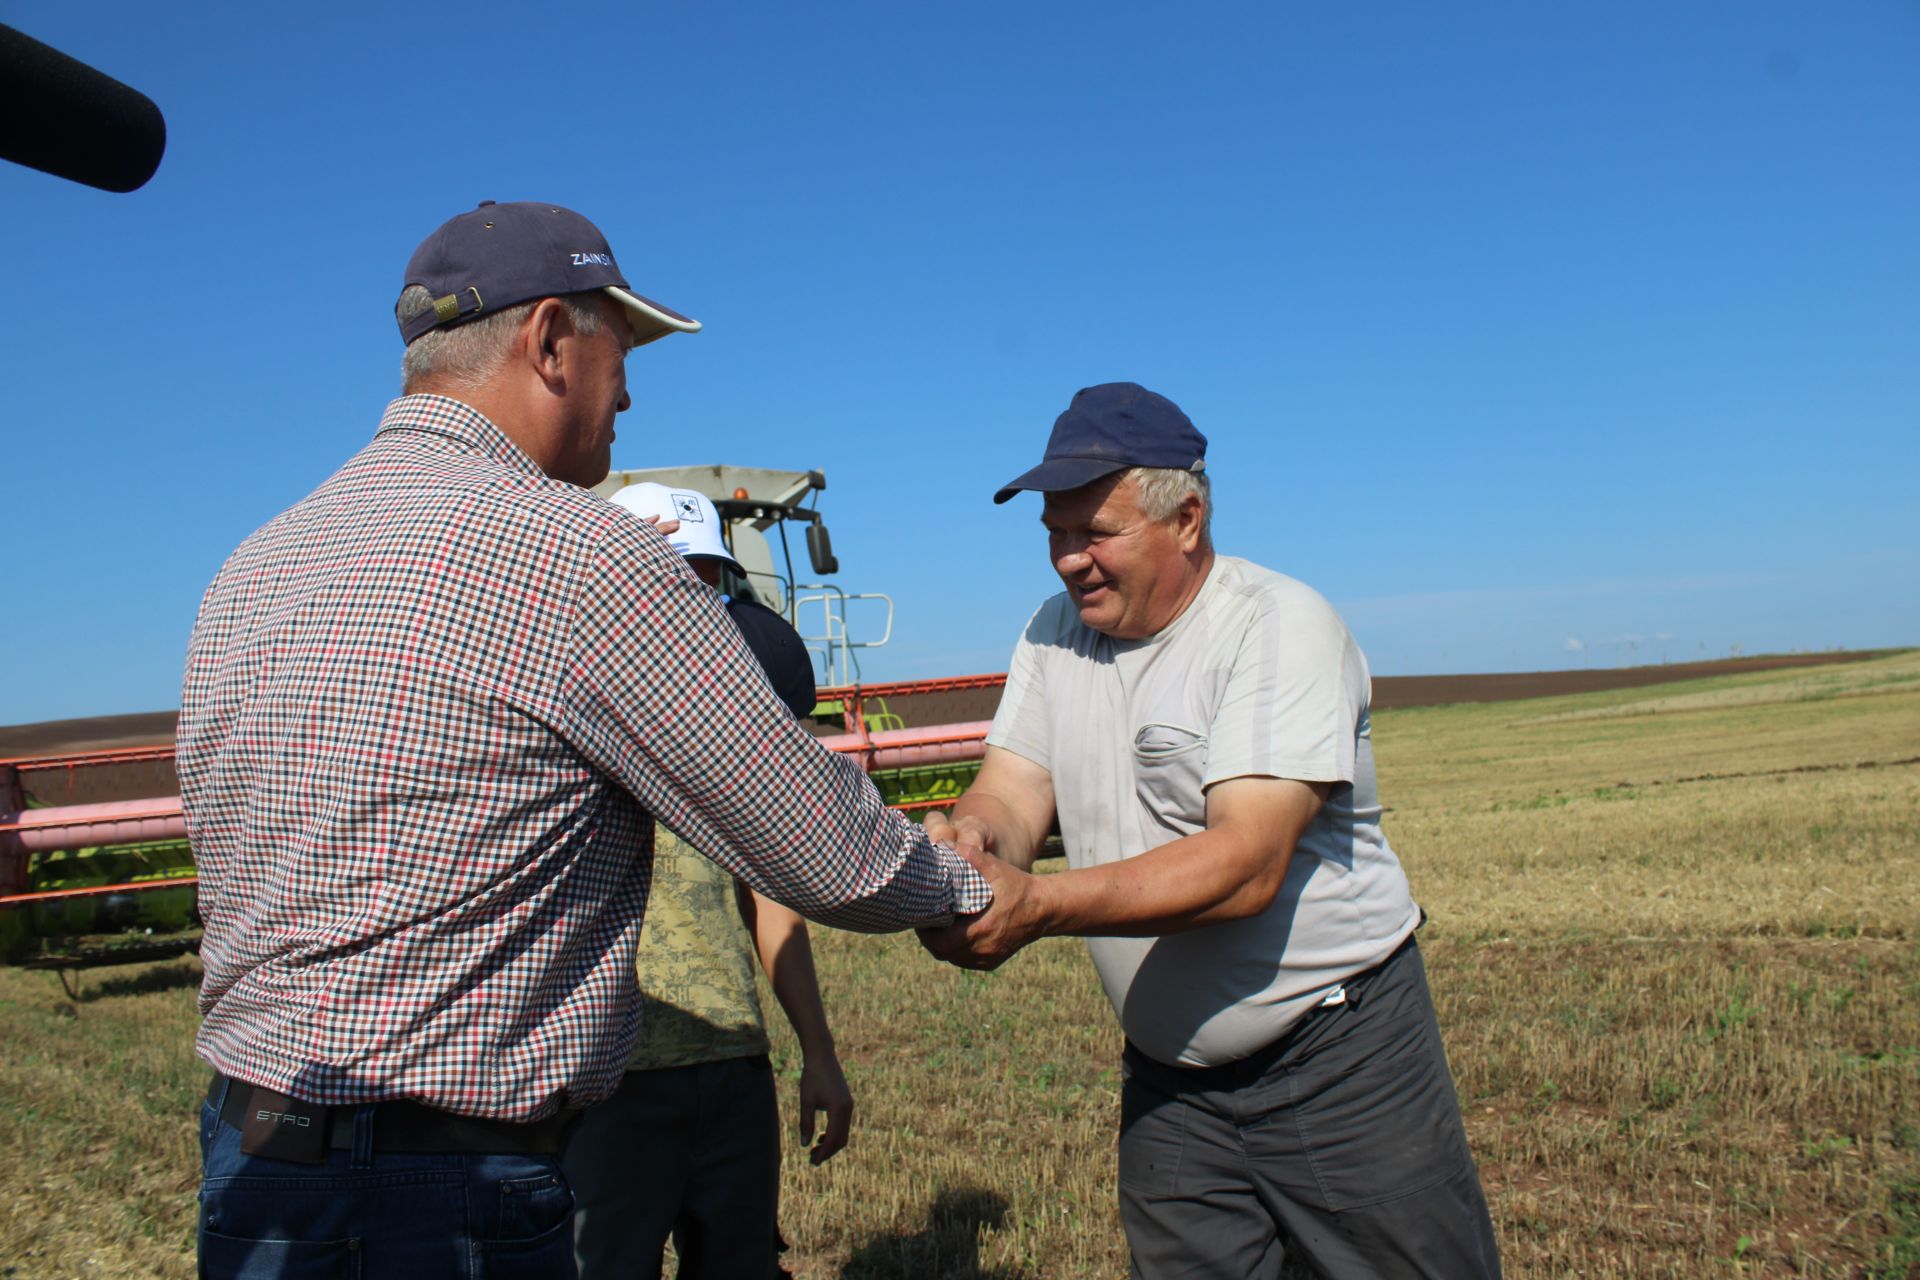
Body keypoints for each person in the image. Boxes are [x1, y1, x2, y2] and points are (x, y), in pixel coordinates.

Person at [177, 201, 988, 1280]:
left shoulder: (251, 566)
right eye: (622, 349)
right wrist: (975, 889)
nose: (631, 391)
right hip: (444, 1192)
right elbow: (827, 851)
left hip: (252, 1164)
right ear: (553, 339)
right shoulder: (581, 555)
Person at [918, 383, 1501, 1279]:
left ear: (1186, 518)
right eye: (1055, 534)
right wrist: (974, 847)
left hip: (1337, 1059)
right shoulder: (1052, 634)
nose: (1069, 561)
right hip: (1171, 1081)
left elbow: (1245, 864)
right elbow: (1014, 791)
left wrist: (1039, 904)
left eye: (1095, 532)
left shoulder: (1276, 626)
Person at [565, 482, 850, 1279]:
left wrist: (817, 1053)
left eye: (703, 576)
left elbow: (773, 901)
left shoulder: (737, 737)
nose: (689, 596)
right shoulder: (563, 719)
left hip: (731, 1063)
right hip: (606, 1079)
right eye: (665, 572)